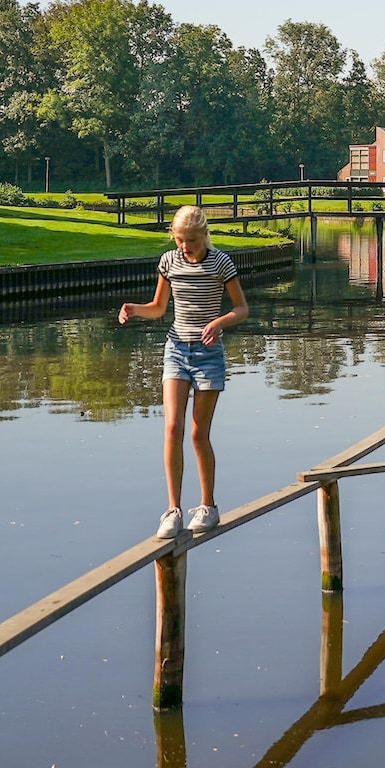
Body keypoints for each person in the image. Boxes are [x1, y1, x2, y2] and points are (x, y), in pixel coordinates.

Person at [119, 206, 249, 539]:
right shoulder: (168, 262)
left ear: (204, 236)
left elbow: (242, 309)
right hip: (176, 350)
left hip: (208, 355)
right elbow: (159, 308)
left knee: (196, 433)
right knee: (172, 427)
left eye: (190, 240)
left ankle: (208, 506)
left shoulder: (221, 263)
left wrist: (219, 322)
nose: (185, 247)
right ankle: (173, 511)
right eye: (179, 240)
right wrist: (134, 309)